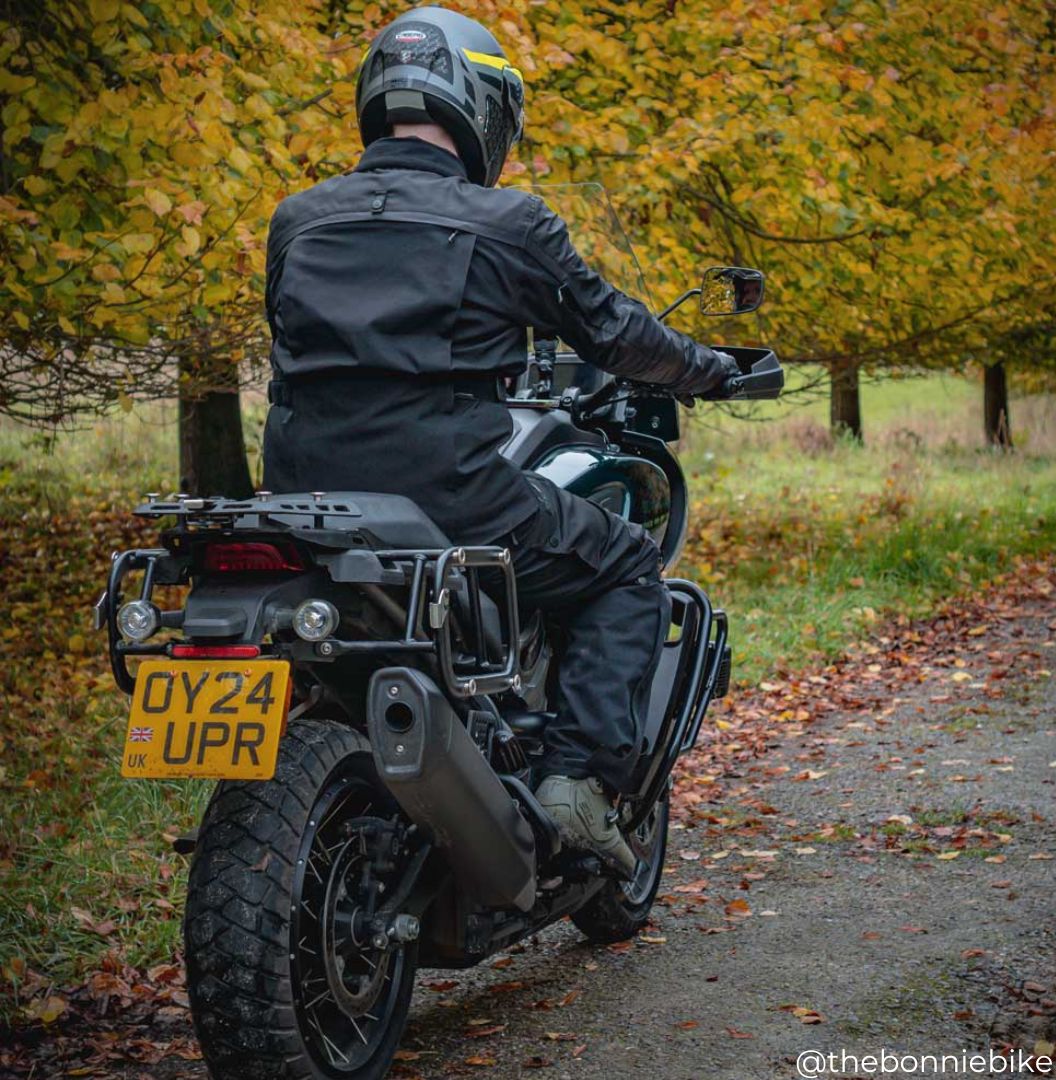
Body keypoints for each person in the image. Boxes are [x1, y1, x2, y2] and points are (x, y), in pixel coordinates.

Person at [262, 5, 739, 875]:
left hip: (300, 502)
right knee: (627, 563)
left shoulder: (297, 220)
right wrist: (711, 369)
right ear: (483, 107)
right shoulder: (506, 223)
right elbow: (615, 330)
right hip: (448, 496)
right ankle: (577, 788)